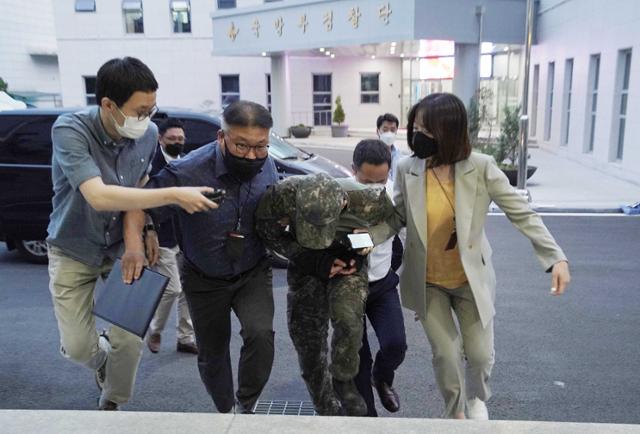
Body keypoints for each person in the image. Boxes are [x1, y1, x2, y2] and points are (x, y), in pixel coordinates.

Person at [47, 57, 218, 411]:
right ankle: (101, 360)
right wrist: (173, 195)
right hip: (72, 248)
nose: (148, 119)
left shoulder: (149, 134)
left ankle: (112, 401)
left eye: (152, 109)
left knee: (129, 338)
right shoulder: (70, 130)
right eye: (140, 110)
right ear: (108, 105)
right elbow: (99, 196)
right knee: (79, 347)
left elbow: (136, 191)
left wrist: (137, 241)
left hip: (119, 248)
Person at [393, 93, 571, 420]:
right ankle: (456, 415)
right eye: (415, 128)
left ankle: (477, 397)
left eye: (426, 131)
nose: (418, 136)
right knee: (446, 354)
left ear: (448, 132)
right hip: (427, 281)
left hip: (469, 279)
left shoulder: (481, 167)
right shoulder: (408, 169)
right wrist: (357, 240)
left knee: (478, 354)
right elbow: (394, 216)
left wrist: (555, 256)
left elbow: (522, 213)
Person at [122, 100, 279, 414]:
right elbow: (142, 203)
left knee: (261, 335)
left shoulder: (268, 164)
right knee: (212, 351)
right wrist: (146, 233)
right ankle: (224, 411)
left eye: (260, 146)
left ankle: (246, 405)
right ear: (221, 137)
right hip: (203, 278)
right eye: (242, 146)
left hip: (252, 271)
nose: (252, 155)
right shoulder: (187, 171)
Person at [255, 173, 403, 416]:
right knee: (308, 341)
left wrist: (363, 243)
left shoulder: (368, 198)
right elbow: (265, 230)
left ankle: (343, 379)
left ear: (343, 202)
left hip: (348, 260)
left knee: (349, 319)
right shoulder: (281, 195)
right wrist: (308, 258)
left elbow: (394, 220)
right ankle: (326, 408)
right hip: (305, 261)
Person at [350, 140, 407, 416]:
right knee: (357, 357)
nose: (374, 188)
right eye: (366, 181)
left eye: (380, 181)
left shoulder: (396, 195)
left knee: (395, 345)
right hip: (346, 288)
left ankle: (381, 377)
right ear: (353, 172)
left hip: (382, 285)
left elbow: (408, 243)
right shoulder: (337, 196)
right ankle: (368, 419)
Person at [145, 118, 198, 355]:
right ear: (160, 139)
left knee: (188, 289)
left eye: (180, 139)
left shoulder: (187, 162)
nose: (177, 143)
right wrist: (148, 231)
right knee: (172, 288)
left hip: (185, 236)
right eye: (172, 139)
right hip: (160, 236)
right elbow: (142, 201)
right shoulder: (149, 165)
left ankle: (185, 337)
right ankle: (155, 329)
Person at [376, 113, 402, 182]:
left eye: (393, 130)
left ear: (396, 131)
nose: (389, 133)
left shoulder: (399, 154)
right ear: (378, 131)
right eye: (385, 130)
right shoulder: (371, 153)